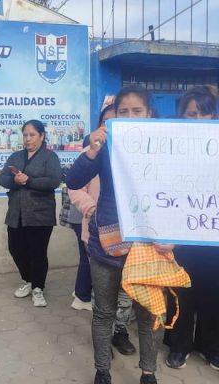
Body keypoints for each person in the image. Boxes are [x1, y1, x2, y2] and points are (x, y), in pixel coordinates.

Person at [67, 85, 174, 384]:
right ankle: (102, 371)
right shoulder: (106, 147)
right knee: (104, 312)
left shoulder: (165, 146)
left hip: (150, 246)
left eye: (136, 111)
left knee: (149, 314)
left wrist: (173, 237)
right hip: (108, 243)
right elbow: (73, 180)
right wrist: (92, 149)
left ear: (149, 113)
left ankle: (148, 373)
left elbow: (178, 195)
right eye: (123, 112)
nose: (129, 117)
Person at [69, 105, 137, 355]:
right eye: (106, 123)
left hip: (130, 234)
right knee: (103, 292)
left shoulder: (132, 153)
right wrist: (92, 209)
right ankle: (103, 338)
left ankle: (120, 331)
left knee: (125, 292)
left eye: (116, 121)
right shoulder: (93, 151)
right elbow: (74, 187)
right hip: (100, 232)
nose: (111, 128)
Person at [164, 85, 219, 370]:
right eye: (192, 114)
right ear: (182, 117)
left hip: (214, 237)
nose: (199, 120)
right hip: (181, 236)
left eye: (205, 113)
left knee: (213, 291)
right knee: (181, 292)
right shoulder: (170, 150)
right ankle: (179, 344)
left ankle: (210, 345)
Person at [0, 120, 62, 307]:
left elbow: (54, 180)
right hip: (16, 213)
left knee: (38, 252)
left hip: (40, 214)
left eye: (32, 135)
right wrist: (15, 180)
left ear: (42, 136)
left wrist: (29, 181)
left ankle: (38, 288)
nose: (28, 139)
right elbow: (3, 178)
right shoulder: (15, 156)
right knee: (15, 248)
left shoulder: (50, 157)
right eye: (25, 135)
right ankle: (28, 280)